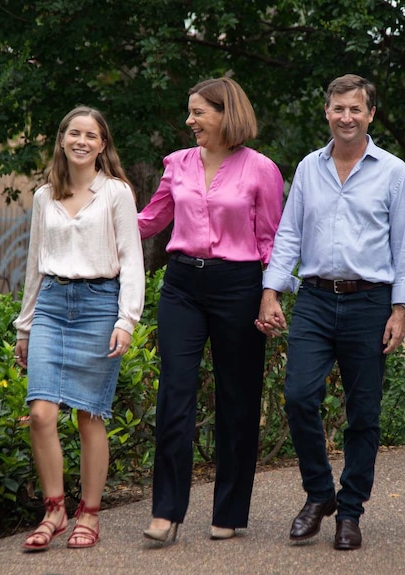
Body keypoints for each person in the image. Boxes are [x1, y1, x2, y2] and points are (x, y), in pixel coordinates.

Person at [256, 74, 405, 551]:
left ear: (369, 114)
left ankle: (350, 511)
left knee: (363, 413)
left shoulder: (393, 172)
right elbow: (288, 234)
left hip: (370, 302)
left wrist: (400, 309)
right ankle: (319, 494)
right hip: (316, 298)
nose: (347, 116)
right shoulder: (309, 167)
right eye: (338, 108)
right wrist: (271, 291)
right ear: (327, 111)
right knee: (300, 396)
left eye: (356, 109)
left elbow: (404, 245)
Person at [138, 77, 284, 543]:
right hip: (182, 283)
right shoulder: (177, 163)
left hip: (239, 285)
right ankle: (166, 512)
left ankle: (229, 512)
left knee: (238, 402)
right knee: (174, 395)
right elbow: (150, 220)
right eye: (191, 111)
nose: (190, 120)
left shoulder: (261, 169)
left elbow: (273, 240)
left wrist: (270, 294)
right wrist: (93, 216)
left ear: (226, 114)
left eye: (198, 112)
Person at [14, 106, 145, 551]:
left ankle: (89, 513)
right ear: (63, 139)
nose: (82, 141)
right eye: (74, 133)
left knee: (89, 416)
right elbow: (34, 264)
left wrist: (126, 320)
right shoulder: (43, 196)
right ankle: (54, 509)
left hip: (98, 307)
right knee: (40, 414)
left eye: (91, 135)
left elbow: (132, 260)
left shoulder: (116, 193)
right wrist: (25, 328)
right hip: (51, 305)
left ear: (102, 144)